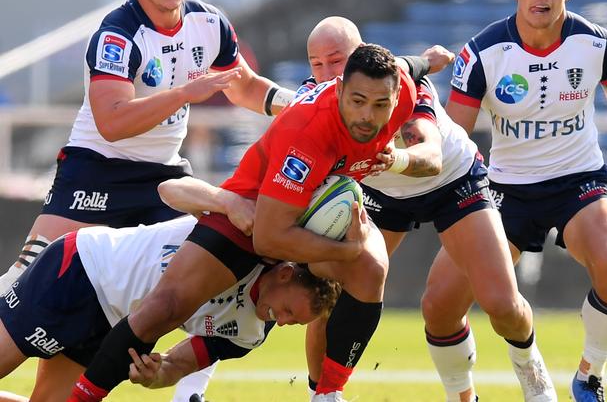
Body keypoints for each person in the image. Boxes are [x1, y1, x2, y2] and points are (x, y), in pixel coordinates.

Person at [0, 0, 294, 401]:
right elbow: (112, 122)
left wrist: (294, 105)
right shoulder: (118, 33)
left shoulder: (209, 23)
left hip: (162, 177)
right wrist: (184, 93)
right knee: (21, 280)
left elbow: (241, 84)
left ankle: (190, 391)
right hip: (95, 171)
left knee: (220, 263)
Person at [64, 43, 429, 402]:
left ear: (397, 97)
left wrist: (427, 60)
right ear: (339, 91)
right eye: (357, 101)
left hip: (308, 214)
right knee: (166, 308)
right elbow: (269, 239)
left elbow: (407, 68)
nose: (367, 115)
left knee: (372, 268)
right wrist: (345, 250)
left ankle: (327, 394)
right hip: (253, 216)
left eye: (380, 104)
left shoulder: (401, 91)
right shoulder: (308, 133)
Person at [443, 0, 607, 402]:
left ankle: (589, 377)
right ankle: (465, 394)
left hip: (578, 181)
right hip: (503, 191)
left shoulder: (597, 44)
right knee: (439, 305)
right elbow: (453, 137)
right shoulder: (482, 54)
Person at [303, 17, 555, 402]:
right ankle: (322, 395)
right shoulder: (312, 98)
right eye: (315, 63)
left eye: (335, 61)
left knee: (501, 304)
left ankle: (530, 367)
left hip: (451, 181)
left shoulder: (403, 89)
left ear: (358, 56)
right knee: (329, 295)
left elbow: (431, 155)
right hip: (379, 193)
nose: (324, 73)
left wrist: (392, 160)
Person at [0, 214, 339, 402]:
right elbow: (173, 189)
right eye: (288, 312)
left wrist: (154, 376)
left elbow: (176, 365)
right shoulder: (239, 239)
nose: (280, 323)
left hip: (114, 324)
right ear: (283, 274)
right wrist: (222, 200)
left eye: (292, 324)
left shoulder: (250, 332)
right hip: (82, 271)